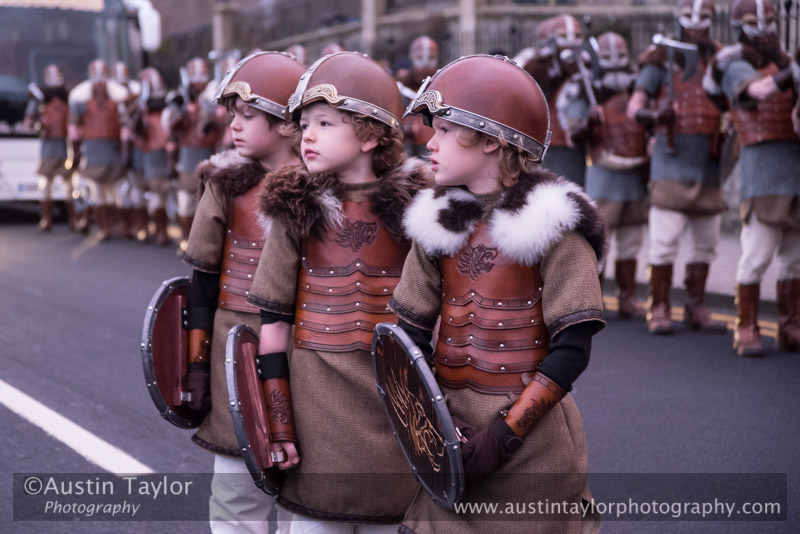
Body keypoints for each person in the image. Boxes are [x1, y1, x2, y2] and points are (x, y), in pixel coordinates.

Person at [390, 54, 604, 534]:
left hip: (534, 446)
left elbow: (572, 350)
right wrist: (433, 425)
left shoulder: (555, 224)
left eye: (444, 130)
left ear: (490, 139)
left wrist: (503, 437)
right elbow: (406, 342)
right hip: (450, 430)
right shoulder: (438, 222)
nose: (430, 142)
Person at [245, 51, 428, 533]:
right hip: (314, 415)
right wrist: (278, 425)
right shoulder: (295, 208)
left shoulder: (417, 211)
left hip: (393, 413)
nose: (307, 135)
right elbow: (273, 326)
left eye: (325, 123)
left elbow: (438, 327)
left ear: (369, 134)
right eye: (304, 123)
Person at [180, 51, 306, 533]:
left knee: (307, 491)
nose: (234, 125)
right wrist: (195, 365)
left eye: (248, 115)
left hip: (306, 351)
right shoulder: (225, 184)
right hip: (237, 346)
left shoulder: (324, 187)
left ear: (285, 123)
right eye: (232, 114)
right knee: (236, 492)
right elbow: (201, 283)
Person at [704, 0, 800, 356]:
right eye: (755, 23)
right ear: (739, 28)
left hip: (794, 166)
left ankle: (791, 325)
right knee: (757, 255)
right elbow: (758, 91)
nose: (764, 30)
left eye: (770, 22)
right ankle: (746, 326)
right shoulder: (732, 64)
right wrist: (793, 71)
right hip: (762, 172)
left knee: (795, 258)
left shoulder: (786, 62)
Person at [627, 0, 728, 335]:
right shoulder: (660, 60)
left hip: (707, 164)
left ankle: (696, 306)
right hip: (670, 163)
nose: (697, 23)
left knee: (706, 242)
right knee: (665, 241)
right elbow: (634, 107)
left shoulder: (721, 60)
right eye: (689, 15)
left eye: (704, 17)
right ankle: (659, 306)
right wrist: (656, 117)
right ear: (678, 18)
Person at [559, 32, 649, 319]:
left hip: (635, 169)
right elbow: (573, 133)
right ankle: (593, 299)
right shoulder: (584, 87)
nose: (614, 63)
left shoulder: (637, 83)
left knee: (632, 239)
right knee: (599, 240)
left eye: (620, 55)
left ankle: (627, 296)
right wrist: (589, 122)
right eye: (607, 56)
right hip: (603, 170)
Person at [164, 57, 224, 250]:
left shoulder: (214, 97)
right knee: (185, 203)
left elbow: (221, 127)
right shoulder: (179, 99)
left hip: (209, 154)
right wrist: (182, 111)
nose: (198, 80)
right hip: (187, 158)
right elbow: (172, 130)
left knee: (207, 206)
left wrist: (211, 117)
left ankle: (203, 244)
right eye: (194, 75)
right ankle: (186, 239)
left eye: (201, 75)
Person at [522, 15, 587, 187]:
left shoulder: (585, 63)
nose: (571, 42)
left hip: (583, 140)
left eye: (576, 36)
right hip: (554, 140)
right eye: (564, 37)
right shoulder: (539, 67)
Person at [68, 59, 129, 239]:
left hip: (113, 151)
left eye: (103, 81)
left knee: (115, 192)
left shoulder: (118, 101)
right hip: (93, 152)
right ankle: (103, 227)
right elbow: (74, 129)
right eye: (96, 81)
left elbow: (125, 126)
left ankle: (117, 225)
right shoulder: (81, 102)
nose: (100, 86)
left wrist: (124, 149)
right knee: (97, 191)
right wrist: (75, 152)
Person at [24, 64, 73, 232]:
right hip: (48, 145)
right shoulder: (40, 97)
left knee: (70, 185)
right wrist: (38, 124)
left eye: (56, 74)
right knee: (45, 185)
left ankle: (74, 219)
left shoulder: (68, 95)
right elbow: (29, 121)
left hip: (66, 145)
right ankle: (46, 219)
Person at [131, 67, 172, 245]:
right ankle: (142, 227)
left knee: (158, 191)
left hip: (158, 149)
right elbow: (134, 129)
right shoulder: (136, 105)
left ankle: (161, 230)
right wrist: (139, 111)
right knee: (138, 191)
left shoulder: (167, 105)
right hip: (140, 150)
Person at [113, 61, 148, 240]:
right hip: (114, 147)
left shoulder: (136, 94)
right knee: (118, 189)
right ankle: (123, 225)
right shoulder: (111, 97)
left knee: (136, 187)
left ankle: (139, 225)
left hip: (134, 149)